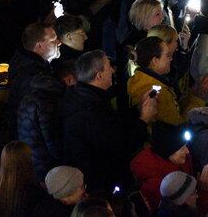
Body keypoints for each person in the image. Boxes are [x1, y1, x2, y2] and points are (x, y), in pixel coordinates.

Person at [61, 50, 157, 192]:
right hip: (103, 184)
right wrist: (144, 119)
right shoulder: (91, 111)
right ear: (99, 76)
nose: (113, 70)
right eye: (108, 67)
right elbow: (120, 148)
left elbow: (115, 126)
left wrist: (137, 109)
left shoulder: (84, 97)